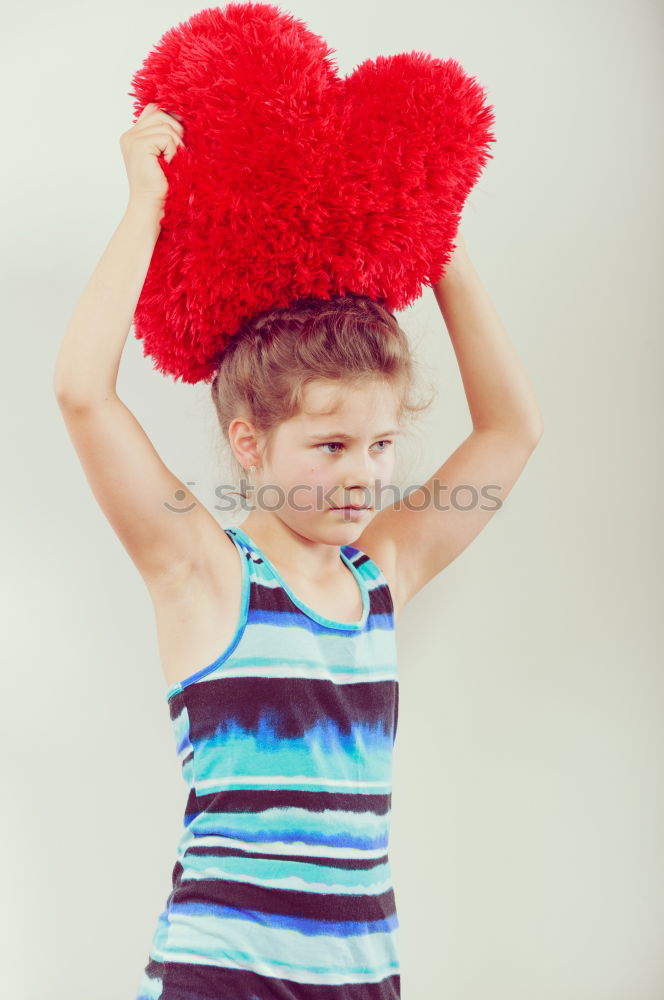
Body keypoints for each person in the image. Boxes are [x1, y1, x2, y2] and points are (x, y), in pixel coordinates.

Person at [53, 105, 543, 1000]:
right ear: (249, 444)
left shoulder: (380, 574)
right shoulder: (204, 568)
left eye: (381, 444)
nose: (364, 475)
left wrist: (440, 243)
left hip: (365, 981)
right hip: (223, 979)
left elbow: (512, 430)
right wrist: (143, 209)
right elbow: (84, 393)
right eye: (330, 447)